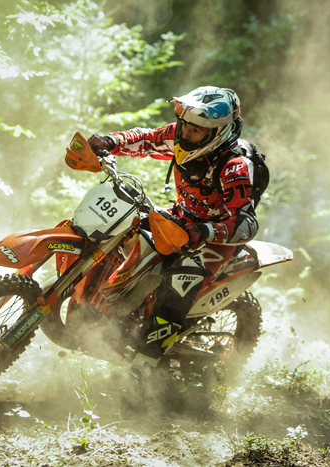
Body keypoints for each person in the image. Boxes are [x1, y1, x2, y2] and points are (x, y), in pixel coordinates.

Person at [87, 86, 261, 385]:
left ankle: (143, 367)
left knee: (181, 280)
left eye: (196, 130)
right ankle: (108, 310)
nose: (185, 134)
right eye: (184, 124)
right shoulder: (182, 134)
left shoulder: (234, 166)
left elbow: (247, 223)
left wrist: (205, 230)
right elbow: (146, 138)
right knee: (122, 229)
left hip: (215, 237)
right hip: (181, 218)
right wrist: (109, 142)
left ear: (217, 132)